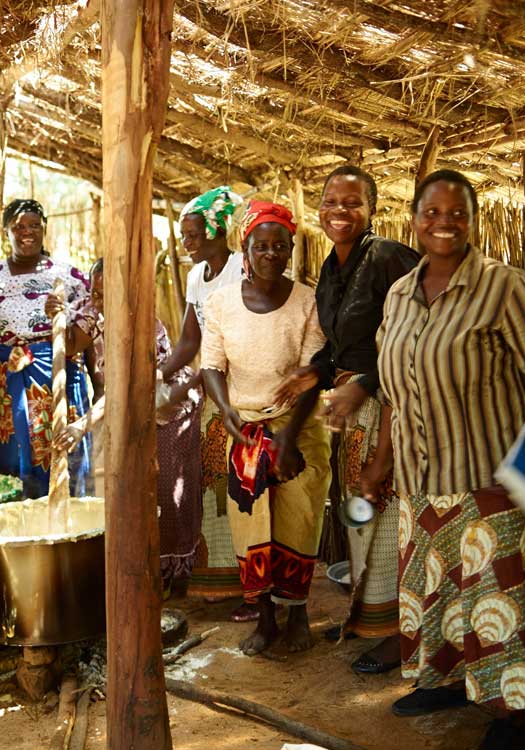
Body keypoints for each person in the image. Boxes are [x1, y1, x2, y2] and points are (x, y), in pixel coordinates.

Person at [374, 170, 525, 750]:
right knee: (439, 592)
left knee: (497, 601)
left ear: (471, 220)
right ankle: (445, 681)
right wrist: (382, 462)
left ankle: (512, 712)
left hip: (488, 481)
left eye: (457, 214)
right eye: (432, 212)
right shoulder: (399, 294)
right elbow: (394, 388)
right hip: (421, 481)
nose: (443, 223)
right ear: (414, 217)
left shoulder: (504, 287)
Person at [275, 165, 419, 674]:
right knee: (364, 516)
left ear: (372, 209)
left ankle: (403, 633)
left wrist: (366, 384)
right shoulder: (331, 272)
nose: (340, 211)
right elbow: (339, 351)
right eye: (331, 201)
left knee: (386, 516)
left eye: (352, 202)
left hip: (392, 408)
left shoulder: (388, 258)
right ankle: (374, 618)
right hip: (354, 413)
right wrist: (313, 375)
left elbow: (418, 338)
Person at [201, 201, 331, 655]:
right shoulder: (220, 303)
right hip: (245, 432)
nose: (271, 254)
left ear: (292, 249)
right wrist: (226, 410)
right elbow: (212, 366)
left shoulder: (307, 302)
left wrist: (290, 439)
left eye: (280, 246)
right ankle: (265, 619)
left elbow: (314, 372)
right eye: (262, 246)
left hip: (298, 430)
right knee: (252, 530)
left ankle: (298, 617)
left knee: (299, 522)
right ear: (245, 249)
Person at [50, 259, 204, 592]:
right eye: (95, 292)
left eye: (107, 294)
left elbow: (127, 388)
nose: (99, 300)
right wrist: (58, 318)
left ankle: (172, 577)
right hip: (127, 408)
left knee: (166, 489)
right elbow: (71, 343)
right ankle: (140, 572)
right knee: (126, 488)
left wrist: (82, 425)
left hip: (169, 406)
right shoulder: (93, 311)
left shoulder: (141, 326)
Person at [160, 186, 249, 618]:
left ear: (216, 231)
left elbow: (248, 339)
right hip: (214, 398)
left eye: (192, 234)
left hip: (243, 393)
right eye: (183, 235)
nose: (187, 243)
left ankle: (255, 587)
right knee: (213, 484)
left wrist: (204, 375)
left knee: (245, 487)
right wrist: (152, 375)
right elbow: (187, 343)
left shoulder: (242, 270)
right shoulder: (197, 278)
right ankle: (221, 582)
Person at [0, 199, 92, 498]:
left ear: (45, 228)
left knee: (63, 451)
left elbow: (90, 334)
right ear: (5, 233)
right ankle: (22, 535)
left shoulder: (70, 278)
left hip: (59, 374)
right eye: (18, 227)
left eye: (34, 225)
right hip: (7, 385)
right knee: (13, 458)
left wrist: (98, 386)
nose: (27, 232)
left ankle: (70, 530)